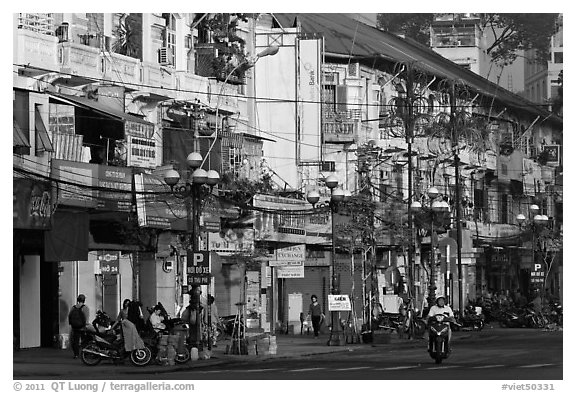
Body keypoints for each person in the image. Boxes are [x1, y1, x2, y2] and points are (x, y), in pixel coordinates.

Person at [68, 294, 90, 359]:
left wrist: (71, 324)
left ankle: (76, 354)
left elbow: (69, 316)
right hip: (82, 327)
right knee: (84, 340)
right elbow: (86, 318)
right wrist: (86, 325)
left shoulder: (73, 307)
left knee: (75, 341)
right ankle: (85, 354)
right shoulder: (85, 308)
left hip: (75, 327)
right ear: (84, 300)